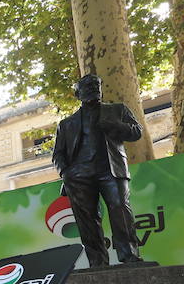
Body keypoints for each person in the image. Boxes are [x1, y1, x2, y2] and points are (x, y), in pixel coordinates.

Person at [51, 73, 147, 268]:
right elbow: (58, 154)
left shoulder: (117, 110)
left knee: (120, 209)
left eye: (96, 85)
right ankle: (97, 262)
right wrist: (66, 173)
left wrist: (115, 126)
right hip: (79, 175)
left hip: (111, 170)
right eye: (87, 86)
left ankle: (129, 255)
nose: (93, 88)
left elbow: (137, 132)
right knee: (87, 221)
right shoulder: (66, 124)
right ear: (78, 93)